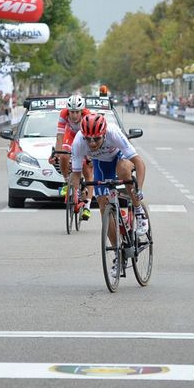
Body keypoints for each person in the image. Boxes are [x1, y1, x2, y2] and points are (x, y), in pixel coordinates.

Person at [67, 113, 147, 278]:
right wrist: (77, 194)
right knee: (103, 205)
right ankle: (119, 253)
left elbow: (139, 162)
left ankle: (138, 211)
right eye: (89, 139)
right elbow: (76, 174)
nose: (92, 143)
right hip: (102, 163)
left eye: (96, 139)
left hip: (120, 156)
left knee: (123, 171)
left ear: (104, 134)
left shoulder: (113, 133)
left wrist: (139, 188)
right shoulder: (79, 141)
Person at [51, 94, 94, 220]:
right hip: (70, 136)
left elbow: (91, 139)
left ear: (81, 111)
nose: (74, 115)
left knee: (87, 169)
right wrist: (57, 154)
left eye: (77, 112)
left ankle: (87, 206)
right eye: (71, 112)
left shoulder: (87, 116)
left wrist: (89, 156)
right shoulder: (63, 114)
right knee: (64, 155)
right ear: (68, 111)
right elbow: (60, 136)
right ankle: (66, 181)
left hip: (85, 138)